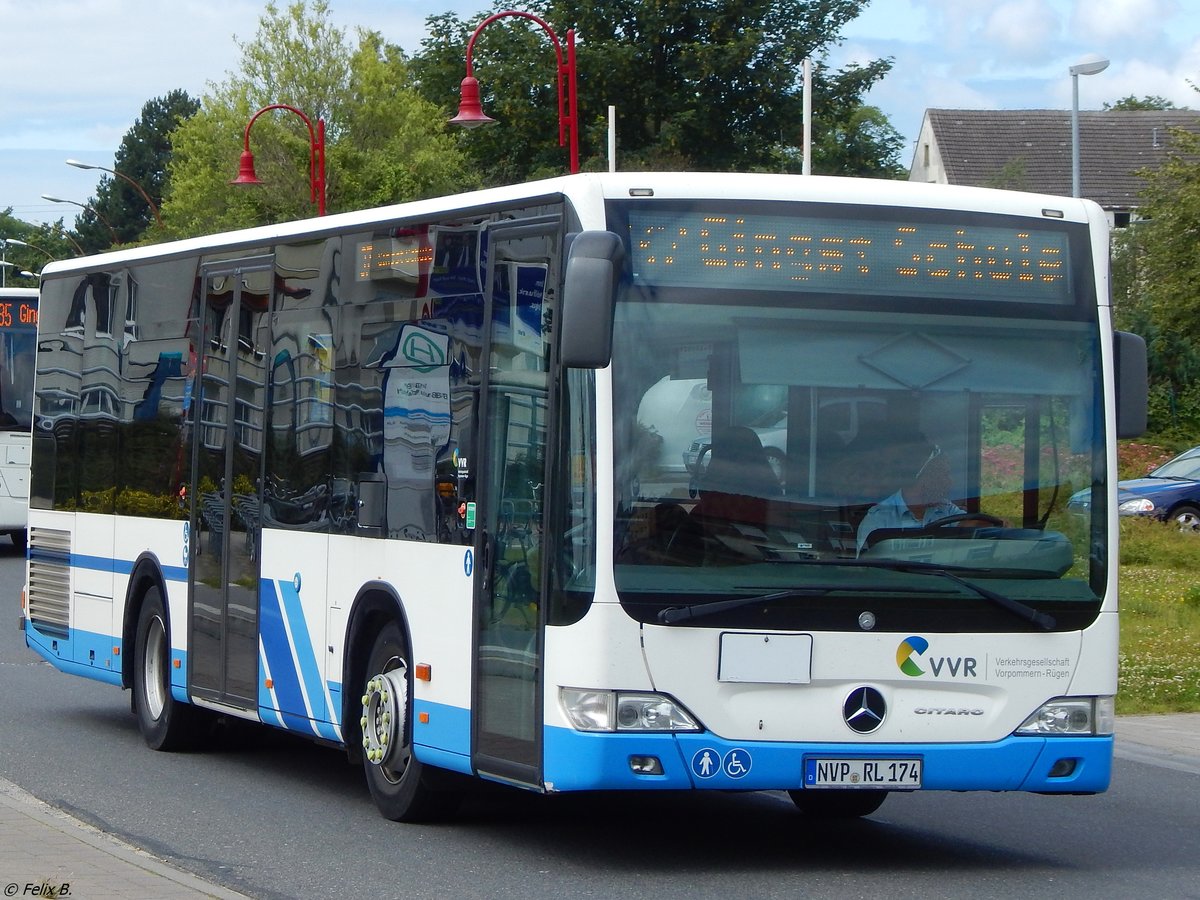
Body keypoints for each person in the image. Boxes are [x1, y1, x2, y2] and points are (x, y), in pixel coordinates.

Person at [855, 440, 966, 554]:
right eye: (944, 474)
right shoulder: (878, 519)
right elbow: (866, 569)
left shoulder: (946, 509)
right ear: (924, 477)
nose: (950, 482)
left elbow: (973, 528)